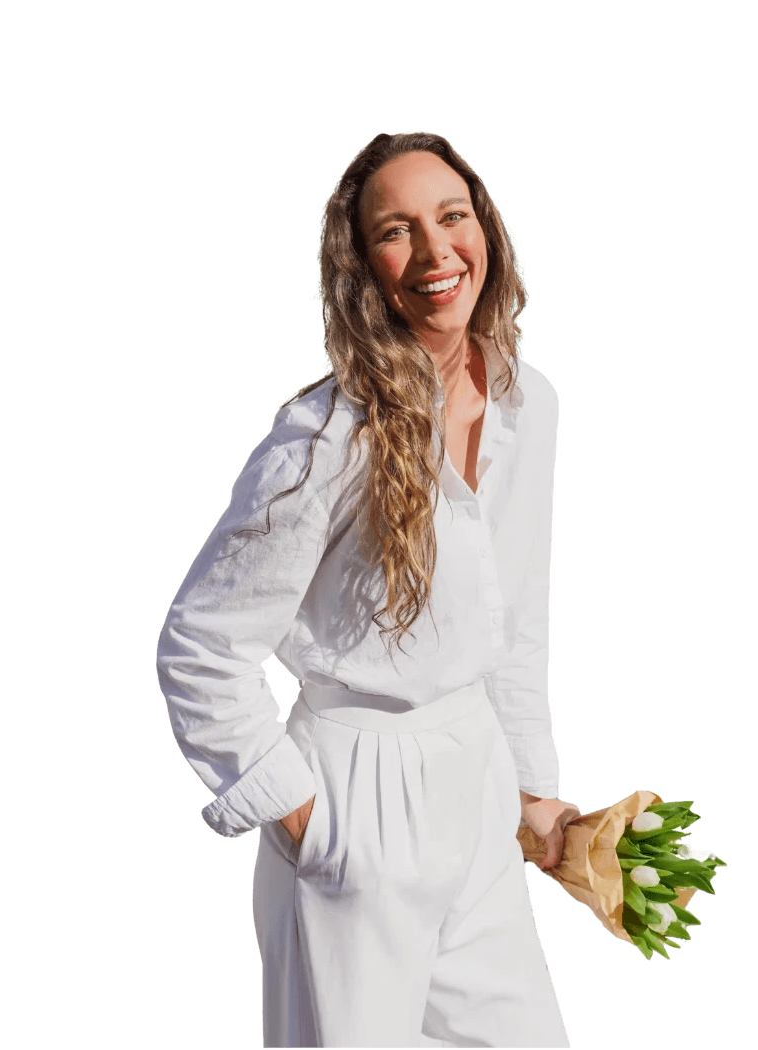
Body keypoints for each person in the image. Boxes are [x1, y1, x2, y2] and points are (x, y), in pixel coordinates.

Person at [156, 131, 578, 1048]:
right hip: (355, 788)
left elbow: (515, 619)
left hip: (472, 775)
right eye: (396, 231)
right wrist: (305, 820)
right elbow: (200, 643)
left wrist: (530, 793)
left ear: (487, 232)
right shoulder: (325, 439)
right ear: (361, 267)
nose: (434, 253)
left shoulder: (525, 402)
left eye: (452, 217)